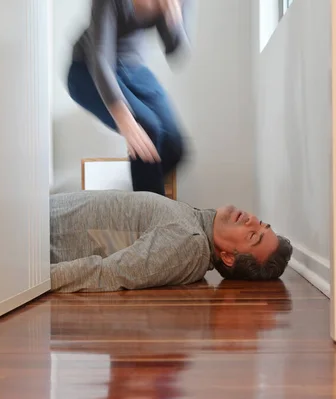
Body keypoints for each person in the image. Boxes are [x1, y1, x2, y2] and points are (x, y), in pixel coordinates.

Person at [50, 190, 293, 293]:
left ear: (229, 257)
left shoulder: (189, 244)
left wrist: (27, 279)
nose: (251, 220)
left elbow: (106, 274)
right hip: (37, 216)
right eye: (260, 222)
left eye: (252, 236)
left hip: (32, 237)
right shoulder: (194, 224)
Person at [67, 0, 193, 196]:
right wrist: (124, 117)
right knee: (147, 127)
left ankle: (134, 195)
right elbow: (100, 59)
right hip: (86, 69)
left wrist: (172, 17)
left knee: (174, 147)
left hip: (132, 67)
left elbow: (174, 49)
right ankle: (148, 216)